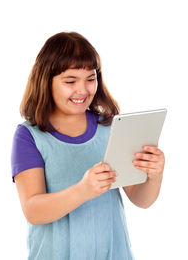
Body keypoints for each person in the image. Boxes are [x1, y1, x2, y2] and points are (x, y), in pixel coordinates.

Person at [11, 32, 165, 260]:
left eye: (90, 79)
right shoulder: (29, 136)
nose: (82, 90)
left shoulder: (109, 127)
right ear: (46, 81)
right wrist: (83, 191)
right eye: (70, 81)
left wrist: (154, 175)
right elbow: (33, 210)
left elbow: (141, 200)